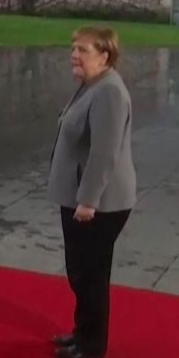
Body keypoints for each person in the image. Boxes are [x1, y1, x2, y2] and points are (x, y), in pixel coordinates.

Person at [48, 26, 136, 358]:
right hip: (81, 197)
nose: (74, 54)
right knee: (81, 272)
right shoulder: (92, 85)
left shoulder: (109, 92)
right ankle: (81, 334)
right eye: (74, 48)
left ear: (104, 55)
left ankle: (92, 347)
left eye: (82, 49)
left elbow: (104, 153)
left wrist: (88, 201)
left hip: (99, 203)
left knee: (90, 275)